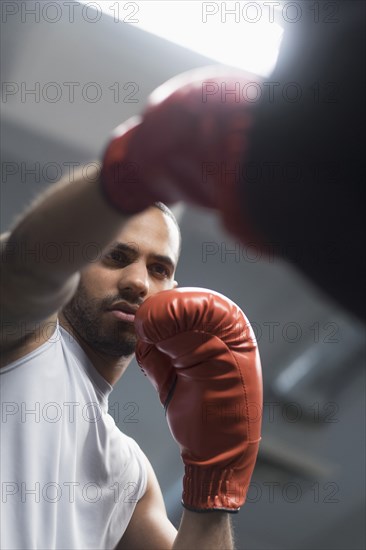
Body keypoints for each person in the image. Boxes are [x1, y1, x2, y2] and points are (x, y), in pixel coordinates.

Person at [1, 162, 262, 549]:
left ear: (172, 289)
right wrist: (130, 166)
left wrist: (216, 486)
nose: (138, 282)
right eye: (116, 257)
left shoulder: (129, 474)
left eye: (158, 269)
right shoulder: (23, 337)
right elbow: (25, 266)